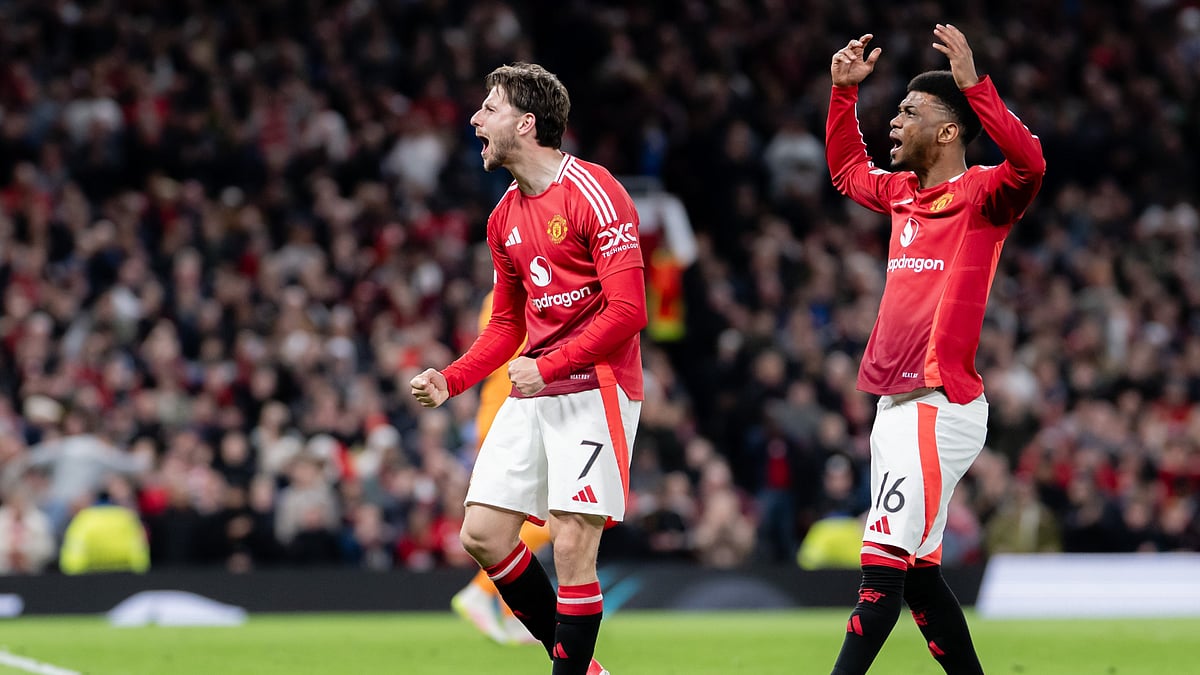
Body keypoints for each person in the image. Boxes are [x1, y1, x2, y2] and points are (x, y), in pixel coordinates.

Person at [411, 62, 645, 675]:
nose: (475, 120)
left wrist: (555, 364)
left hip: (597, 388)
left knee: (570, 544)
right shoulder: (503, 218)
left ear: (527, 122)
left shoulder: (597, 191)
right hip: (536, 390)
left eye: (488, 109)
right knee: (482, 534)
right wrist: (451, 379)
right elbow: (508, 327)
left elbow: (629, 309)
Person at [825, 25, 1045, 674]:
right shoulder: (901, 195)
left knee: (880, 575)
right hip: (898, 407)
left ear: (949, 132)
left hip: (935, 404)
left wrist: (975, 84)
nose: (893, 121)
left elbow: (1030, 161)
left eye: (909, 113)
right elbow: (845, 170)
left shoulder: (983, 196)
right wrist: (842, 96)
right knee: (918, 576)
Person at [450, 289, 548, 645]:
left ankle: (513, 616)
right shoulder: (520, 293)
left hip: (507, 411)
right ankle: (479, 591)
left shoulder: (501, 295)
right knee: (547, 519)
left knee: (526, 519)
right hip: (509, 414)